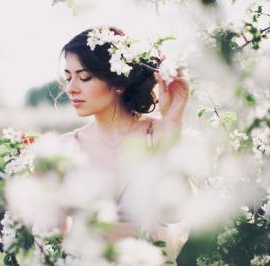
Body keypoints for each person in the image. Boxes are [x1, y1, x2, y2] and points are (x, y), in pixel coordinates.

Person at [58, 26, 190, 264]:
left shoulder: (157, 133)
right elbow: (48, 243)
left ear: (117, 81)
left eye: (84, 77)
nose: (71, 88)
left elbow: (176, 212)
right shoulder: (64, 149)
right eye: (68, 77)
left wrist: (173, 124)